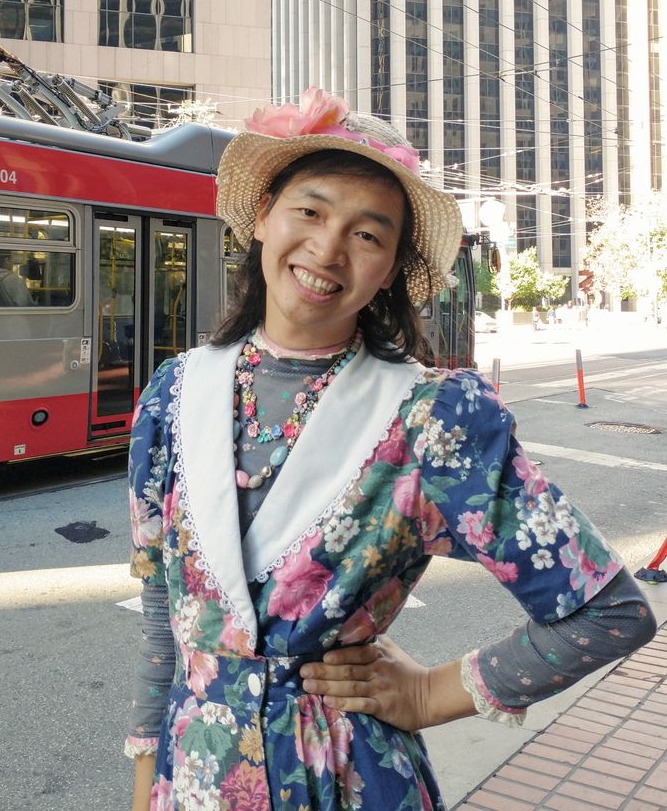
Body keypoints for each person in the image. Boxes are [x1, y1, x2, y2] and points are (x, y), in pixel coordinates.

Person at [126, 88, 655, 811]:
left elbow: (612, 612)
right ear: (262, 218)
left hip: (346, 778)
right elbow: (164, 606)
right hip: (192, 778)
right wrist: (146, 770)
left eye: (367, 235)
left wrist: (435, 692)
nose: (327, 248)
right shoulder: (172, 392)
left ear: (389, 271)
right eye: (309, 211)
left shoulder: (435, 418)